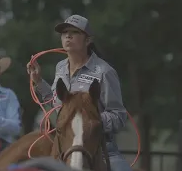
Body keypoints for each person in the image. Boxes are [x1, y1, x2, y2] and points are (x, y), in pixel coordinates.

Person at [27, 15, 132, 171]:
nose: (68, 36)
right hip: (64, 151)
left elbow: (119, 116)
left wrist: (87, 120)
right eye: (64, 33)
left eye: (74, 32)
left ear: (88, 40)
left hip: (100, 151)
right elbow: (59, 107)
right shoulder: (60, 67)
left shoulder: (105, 72)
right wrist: (38, 81)